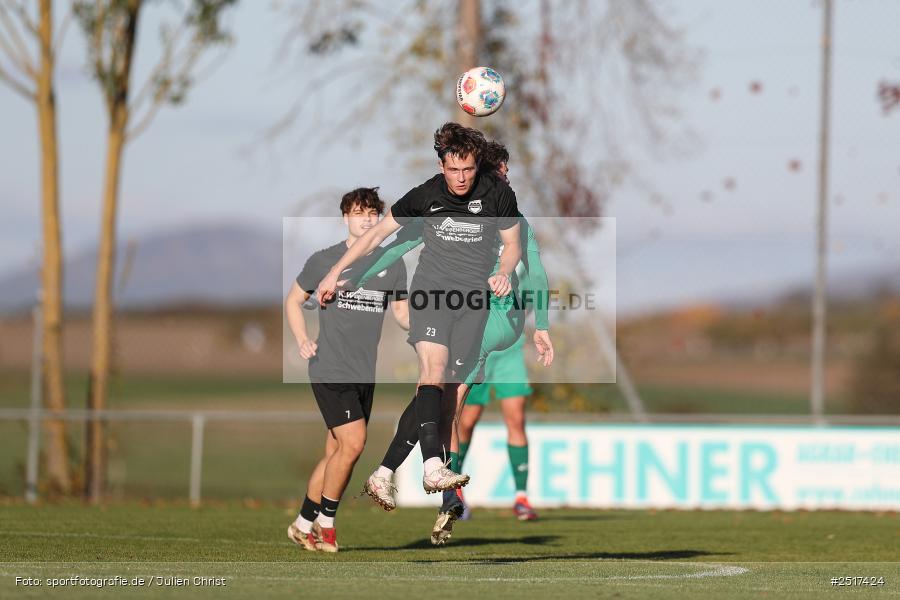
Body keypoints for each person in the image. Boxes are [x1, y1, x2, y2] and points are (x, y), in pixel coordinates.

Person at [353, 141, 553, 542]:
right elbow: (403, 242)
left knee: (441, 392)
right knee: (447, 401)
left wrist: (541, 324)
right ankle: (434, 490)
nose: (505, 179)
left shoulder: (507, 214)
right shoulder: (465, 209)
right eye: (501, 172)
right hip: (489, 319)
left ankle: (420, 481)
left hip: (492, 319)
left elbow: (532, 272)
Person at [315, 124, 522, 498]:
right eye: (452, 169)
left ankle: (383, 472)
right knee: (433, 370)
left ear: (479, 166)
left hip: (472, 302)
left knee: (448, 395)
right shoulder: (426, 195)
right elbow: (378, 236)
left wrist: (504, 272)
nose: (460, 178)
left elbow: (513, 244)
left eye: (468, 170)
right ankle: (431, 468)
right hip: (431, 294)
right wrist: (335, 271)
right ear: (442, 165)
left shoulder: (498, 194)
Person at [284, 187, 409, 553]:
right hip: (329, 367)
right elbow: (293, 301)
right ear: (345, 217)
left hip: (362, 373)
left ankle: (302, 524)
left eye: (372, 213)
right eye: (359, 212)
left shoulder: (393, 262)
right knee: (354, 443)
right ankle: (326, 524)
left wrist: (426, 332)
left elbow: (401, 313)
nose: (366, 219)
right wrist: (301, 338)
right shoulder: (324, 260)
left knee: (337, 453)